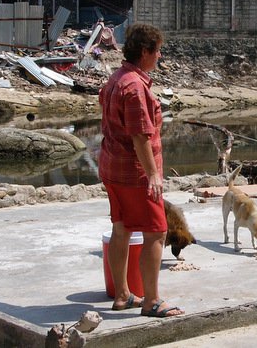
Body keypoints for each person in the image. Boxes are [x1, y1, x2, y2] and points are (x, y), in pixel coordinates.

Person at [98, 23, 184, 318]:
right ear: (145, 51)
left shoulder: (117, 78)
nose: (159, 56)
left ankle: (123, 294)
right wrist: (153, 175)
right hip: (134, 173)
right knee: (157, 233)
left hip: (112, 167)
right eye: (157, 51)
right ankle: (151, 301)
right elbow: (140, 136)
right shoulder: (134, 87)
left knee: (121, 230)